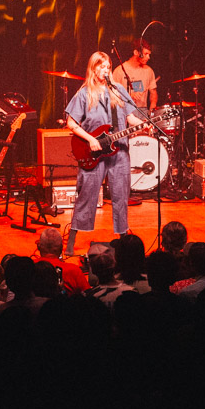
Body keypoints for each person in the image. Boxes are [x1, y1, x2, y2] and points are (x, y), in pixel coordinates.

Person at [64, 51, 143, 256]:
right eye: (101, 66)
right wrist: (90, 139)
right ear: (93, 68)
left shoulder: (117, 90)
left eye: (108, 66)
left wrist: (144, 125)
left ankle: (123, 240)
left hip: (119, 151)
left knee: (120, 195)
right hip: (94, 152)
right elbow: (71, 123)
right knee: (86, 195)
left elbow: (131, 118)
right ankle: (71, 241)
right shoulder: (84, 93)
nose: (105, 70)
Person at [35, 228, 90, 295]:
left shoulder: (29, 267)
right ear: (61, 248)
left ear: (38, 247)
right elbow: (88, 295)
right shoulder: (74, 270)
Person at [112, 38, 157, 112]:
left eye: (149, 54)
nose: (148, 57)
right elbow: (112, 95)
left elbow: (153, 94)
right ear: (136, 52)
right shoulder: (119, 71)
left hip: (143, 111)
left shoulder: (149, 71)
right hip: (124, 111)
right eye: (146, 54)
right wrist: (129, 96)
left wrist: (151, 112)